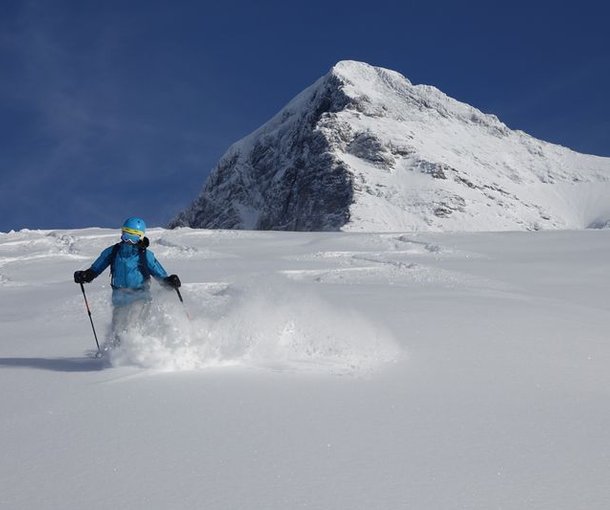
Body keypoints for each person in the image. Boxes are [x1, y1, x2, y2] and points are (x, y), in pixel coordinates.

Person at [74, 217, 181, 345]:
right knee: (118, 332)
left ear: (140, 237)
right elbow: (96, 269)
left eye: (133, 237)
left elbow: (160, 274)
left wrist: (169, 281)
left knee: (132, 327)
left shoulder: (145, 255)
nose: (128, 240)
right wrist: (86, 275)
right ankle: (116, 358)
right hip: (119, 299)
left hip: (140, 297)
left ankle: (140, 355)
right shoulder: (113, 252)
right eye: (126, 235)